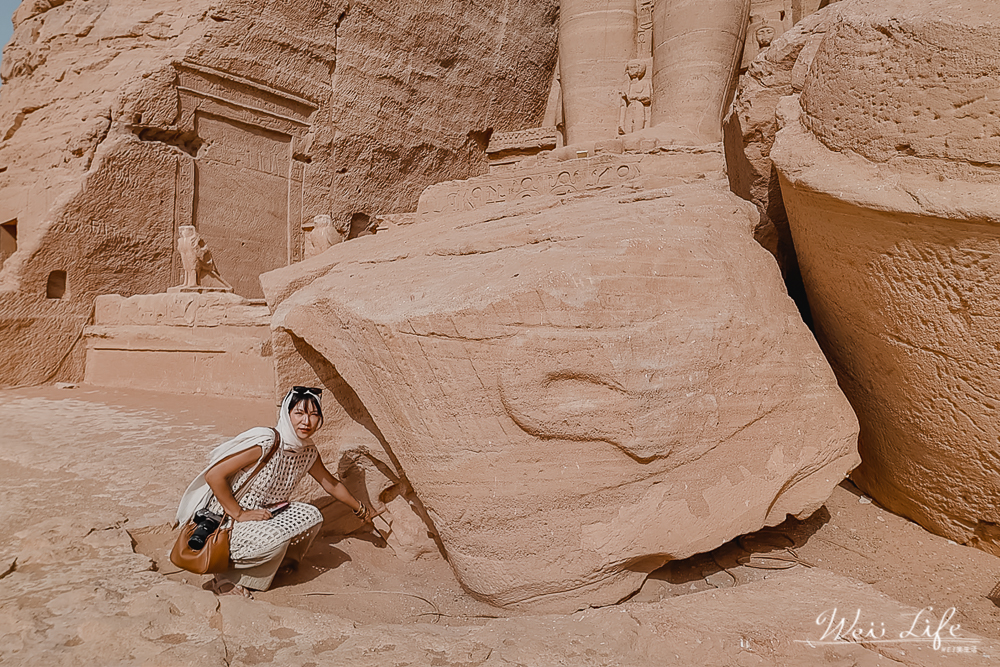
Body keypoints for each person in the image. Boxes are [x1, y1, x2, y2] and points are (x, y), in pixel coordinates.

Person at [175, 386, 372, 598]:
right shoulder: (268, 443)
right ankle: (226, 576)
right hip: (229, 518)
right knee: (275, 537)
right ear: (287, 414)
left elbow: (331, 484)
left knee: (312, 516)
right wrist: (239, 513)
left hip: (266, 512)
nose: (306, 421)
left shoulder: (307, 450)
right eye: (299, 413)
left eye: (314, 415)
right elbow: (214, 475)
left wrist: (361, 509)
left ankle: (272, 566)